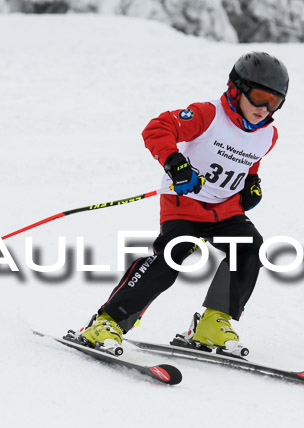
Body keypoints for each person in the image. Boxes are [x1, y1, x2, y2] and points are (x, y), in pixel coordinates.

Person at [77, 51, 289, 356]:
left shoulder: (268, 134)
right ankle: (107, 322)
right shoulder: (208, 114)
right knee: (173, 254)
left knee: (250, 246)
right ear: (237, 89)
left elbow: (249, 160)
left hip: (225, 208)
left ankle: (214, 322)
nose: (264, 108)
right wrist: (175, 163)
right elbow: (157, 129)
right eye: (259, 97)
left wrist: (251, 184)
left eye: (275, 102)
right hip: (184, 202)